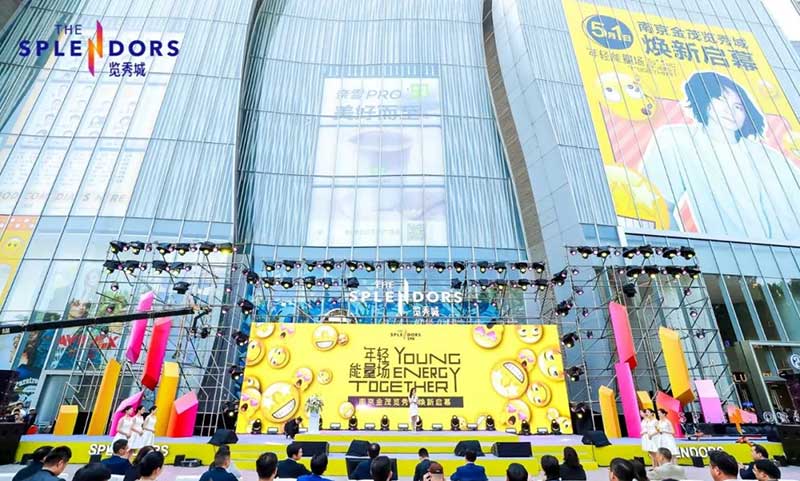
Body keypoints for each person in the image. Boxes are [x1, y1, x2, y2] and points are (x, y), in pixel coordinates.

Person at [641, 71, 800, 240]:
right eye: (721, 99)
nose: (730, 111)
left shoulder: (769, 158)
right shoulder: (677, 139)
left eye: (738, 107)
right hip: (718, 251)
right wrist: (681, 251)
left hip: (785, 250)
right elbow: (656, 204)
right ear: (704, 99)